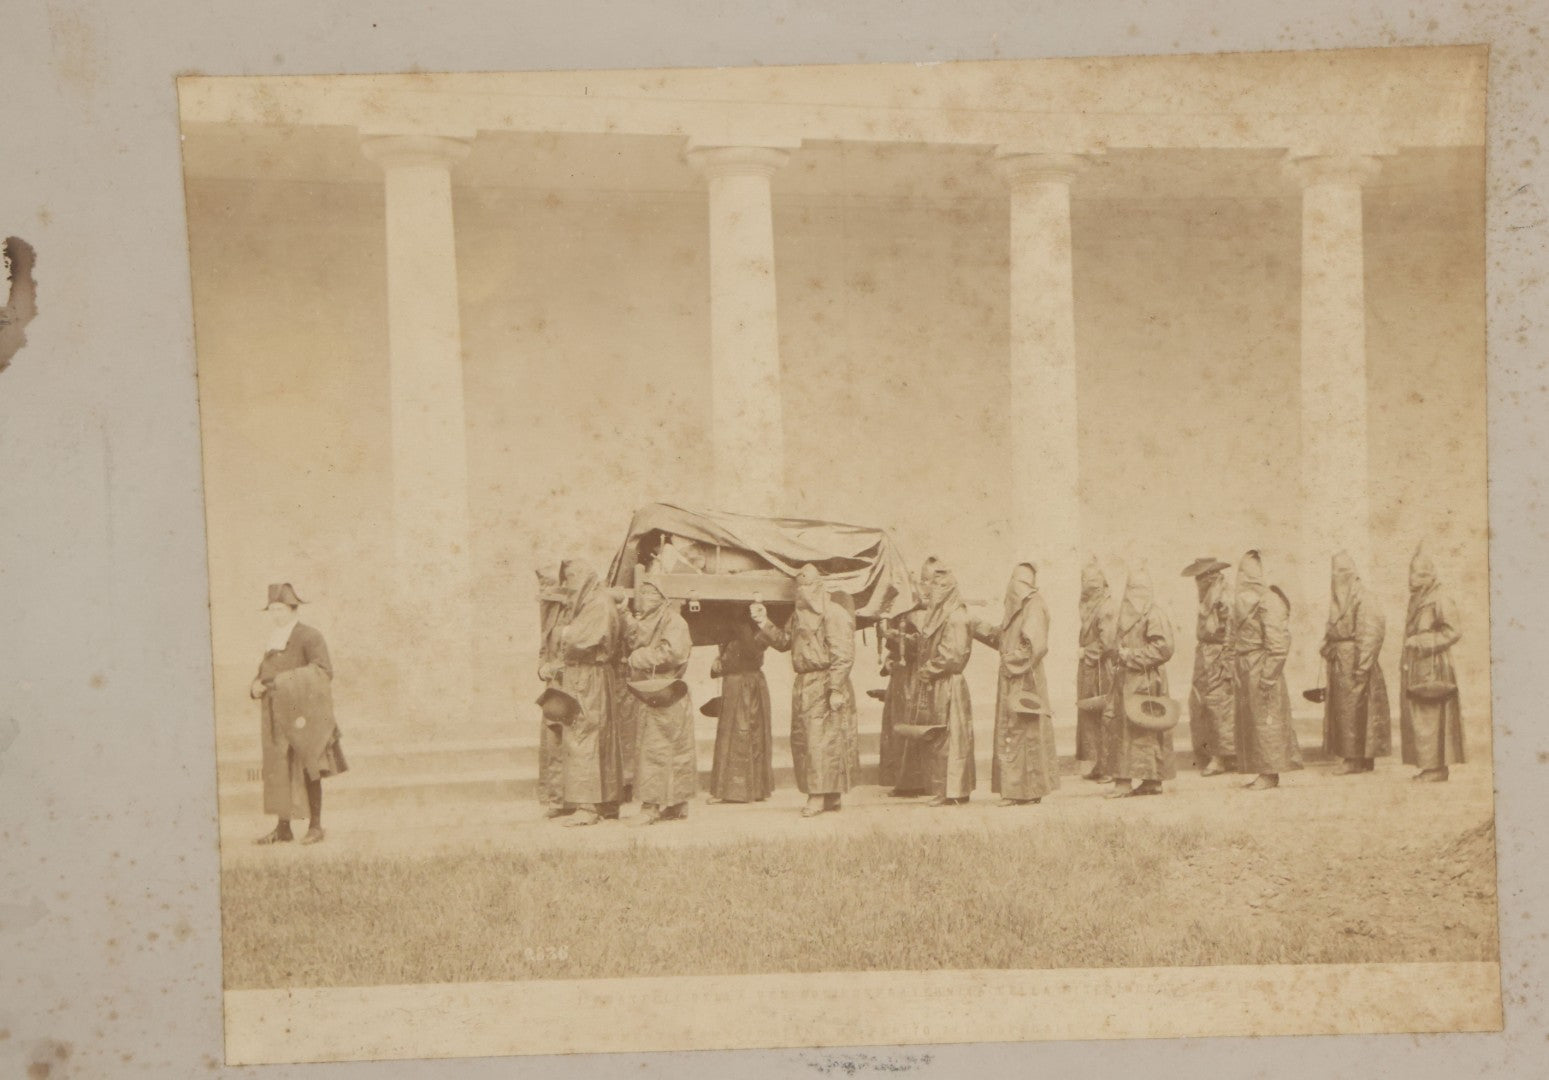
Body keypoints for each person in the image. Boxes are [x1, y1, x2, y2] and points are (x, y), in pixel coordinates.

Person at [753, 564, 858, 817]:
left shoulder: (834, 613)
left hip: (827, 682)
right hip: (805, 684)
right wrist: (763, 621)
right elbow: (784, 641)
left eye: (809, 585)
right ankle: (830, 796)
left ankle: (818, 796)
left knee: (821, 743)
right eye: (801, 587)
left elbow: (843, 655)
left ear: (819, 586)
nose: (805, 592)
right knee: (807, 741)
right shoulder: (798, 616)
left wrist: (835, 688)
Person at [251, 583, 347, 845]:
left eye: (280, 609)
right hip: (275, 714)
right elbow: (265, 672)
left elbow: (323, 670)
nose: (276, 615)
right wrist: (255, 685)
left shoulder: (309, 636)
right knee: (279, 767)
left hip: (304, 715)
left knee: (310, 766)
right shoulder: (273, 638)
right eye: (272, 610)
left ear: (293, 610)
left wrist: (282, 683)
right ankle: (283, 828)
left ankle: (316, 826)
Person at [546, 559, 626, 827]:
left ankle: (587, 806)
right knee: (597, 736)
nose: (568, 584)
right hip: (592, 676)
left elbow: (578, 638)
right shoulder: (596, 601)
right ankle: (605, 803)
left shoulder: (597, 604)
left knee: (583, 735)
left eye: (571, 577)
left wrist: (558, 632)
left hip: (587, 675)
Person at [971, 562, 1057, 806]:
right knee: (1015, 732)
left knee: (1024, 732)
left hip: (1025, 678)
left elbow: (1034, 646)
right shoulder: (1019, 607)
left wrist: (1010, 662)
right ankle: (1019, 791)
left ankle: (1026, 791)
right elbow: (1004, 637)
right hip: (1013, 677)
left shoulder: (1033, 605)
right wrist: (975, 625)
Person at [1097, 567, 1176, 798]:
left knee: (1145, 729)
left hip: (1147, 680)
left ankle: (1147, 781)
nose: (1134, 595)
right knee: (1124, 729)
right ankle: (1133, 780)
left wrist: (1131, 655)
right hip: (1126, 679)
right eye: (1131, 588)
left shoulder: (1154, 614)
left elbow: (1164, 648)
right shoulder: (1125, 614)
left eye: (1140, 588)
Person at [625, 580, 698, 822]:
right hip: (652, 692)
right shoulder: (649, 620)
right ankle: (677, 804)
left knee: (659, 750)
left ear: (663, 595)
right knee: (664, 749)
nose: (645, 597)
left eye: (651, 592)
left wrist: (638, 657)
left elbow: (670, 654)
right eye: (642, 592)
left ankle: (651, 807)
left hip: (667, 692)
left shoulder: (674, 621)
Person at [1230, 550, 1303, 790]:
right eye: (1240, 571)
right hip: (1247, 666)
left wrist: (1269, 676)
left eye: (1246, 571)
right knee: (1253, 721)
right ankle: (1262, 770)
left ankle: (1270, 774)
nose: (1242, 577)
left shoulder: (1268, 600)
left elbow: (1278, 643)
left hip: (1261, 667)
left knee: (1266, 721)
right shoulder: (1242, 601)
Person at [1319, 551, 1392, 775]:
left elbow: (1371, 632)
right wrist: (1329, 645)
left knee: (1355, 711)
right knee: (1345, 711)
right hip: (1342, 662)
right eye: (1334, 571)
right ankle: (1357, 759)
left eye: (1342, 570)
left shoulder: (1364, 597)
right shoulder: (1339, 600)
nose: (1336, 575)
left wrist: (1363, 665)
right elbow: (1336, 629)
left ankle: (1355, 759)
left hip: (1357, 661)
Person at [1399, 542, 1465, 781]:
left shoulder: (1439, 597)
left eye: (1416, 573)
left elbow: (1454, 631)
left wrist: (1423, 642)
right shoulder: (1418, 597)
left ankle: (1436, 769)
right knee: (1421, 715)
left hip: (1434, 664)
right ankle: (1429, 767)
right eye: (1410, 571)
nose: (1411, 577)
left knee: (1432, 715)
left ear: (1428, 574)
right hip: (1418, 664)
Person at [912, 562, 975, 807]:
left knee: (951, 737)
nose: (934, 589)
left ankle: (953, 790)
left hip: (949, 684)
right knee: (942, 737)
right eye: (933, 584)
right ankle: (947, 789)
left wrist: (928, 670)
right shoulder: (940, 613)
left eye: (941, 585)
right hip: (940, 683)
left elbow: (953, 655)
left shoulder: (955, 616)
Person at [707, 617, 774, 803]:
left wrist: (721, 663)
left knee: (738, 734)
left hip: (742, 686)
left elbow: (747, 653)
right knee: (752, 733)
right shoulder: (747, 629)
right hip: (749, 684)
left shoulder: (741, 626)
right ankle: (756, 789)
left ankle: (735, 792)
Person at [889, 559, 939, 797]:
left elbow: (921, 645)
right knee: (909, 726)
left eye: (930, 580)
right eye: (924, 579)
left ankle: (922, 782)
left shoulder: (935, 611)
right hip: (909, 675)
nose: (925, 585)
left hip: (926, 676)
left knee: (921, 726)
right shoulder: (912, 609)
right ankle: (909, 781)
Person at [1183, 557, 1236, 776]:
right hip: (1205, 656)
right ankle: (1209, 752)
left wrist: (1227, 661)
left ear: (1211, 577)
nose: (1197, 582)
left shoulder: (1224, 598)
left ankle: (1221, 756)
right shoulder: (1207, 598)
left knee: (1219, 705)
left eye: (1200, 577)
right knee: (1200, 703)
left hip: (1219, 656)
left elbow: (1232, 632)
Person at [1077, 558, 1118, 782]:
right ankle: (1099, 763)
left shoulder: (1106, 607)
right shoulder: (1091, 605)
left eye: (1088, 582)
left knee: (1106, 716)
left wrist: (1087, 653)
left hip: (1104, 668)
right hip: (1092, 669)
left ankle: (1109, 766)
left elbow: (1108, 643)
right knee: (1092, 715)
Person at [535, 564, 571, 818]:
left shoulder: (572, 615)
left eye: (549, 587)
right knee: (552, 745)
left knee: (566, 743)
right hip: (553, 686)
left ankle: (567, 799)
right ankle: (556, 798)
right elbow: (544, 650)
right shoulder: (548, 616)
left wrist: (557, 666)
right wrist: (542, 669)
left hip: (570, 685)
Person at [608, 586, 639, 803]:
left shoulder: (629, 623)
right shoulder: (608, 619)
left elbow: (635, 644)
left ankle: (628, 783)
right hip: (611, 681)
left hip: (626, 681)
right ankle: (617, 782)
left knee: (628, 733)